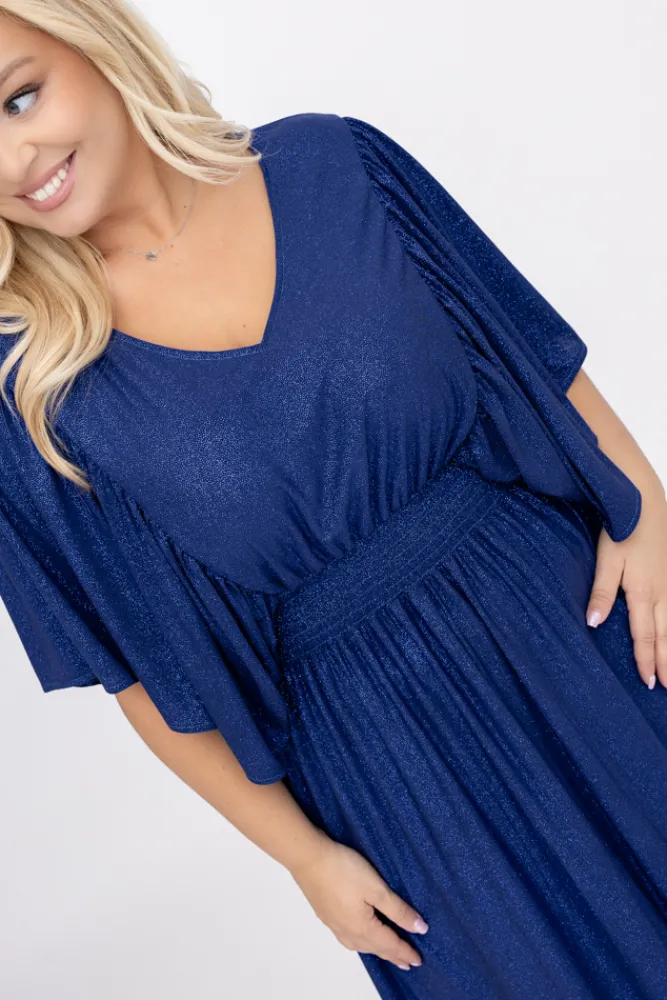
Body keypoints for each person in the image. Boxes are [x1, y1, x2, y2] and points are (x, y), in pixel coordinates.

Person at [1, 2, 666, 997]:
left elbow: (526, 350)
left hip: (582, 631)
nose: (12, 161)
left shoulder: (335, 163)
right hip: (398, 771)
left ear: (97, 42)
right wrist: (304, 857)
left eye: (19, 97)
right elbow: (136, 673)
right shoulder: (33, 391)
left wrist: (647, 510)